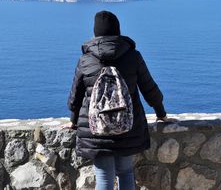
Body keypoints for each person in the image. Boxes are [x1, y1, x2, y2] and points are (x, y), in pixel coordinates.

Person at [62, 10, 175, 190]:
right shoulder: (132, 56)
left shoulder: (86, 60)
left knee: (104, 178)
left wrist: (73, 121)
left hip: (96, 130)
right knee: (125, 172)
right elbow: (149, 88)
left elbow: (76, 95)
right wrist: (161, 113)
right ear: (118, 31)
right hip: (127, 127)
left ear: (96, 32)